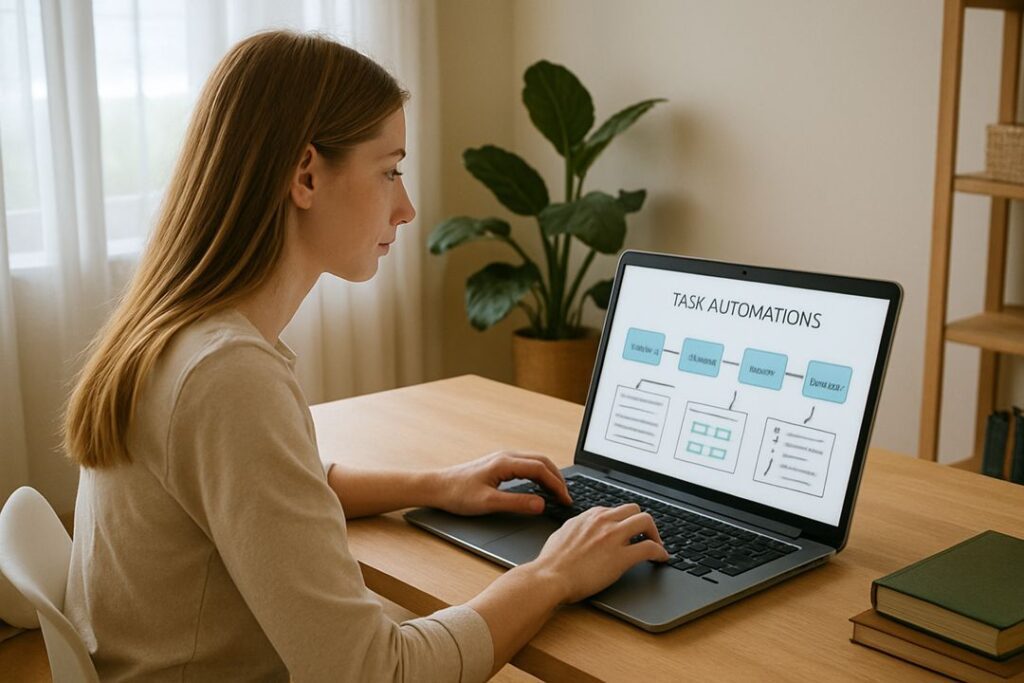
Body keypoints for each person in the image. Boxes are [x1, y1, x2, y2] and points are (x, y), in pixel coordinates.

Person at [63, 30, 668, 682]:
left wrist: (437, 484)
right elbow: (376, 672)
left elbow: (273, 493)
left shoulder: (180, 332)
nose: (406, 208)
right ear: (306, 175)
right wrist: (553, 571)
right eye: (390, 169)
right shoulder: (229, 378)